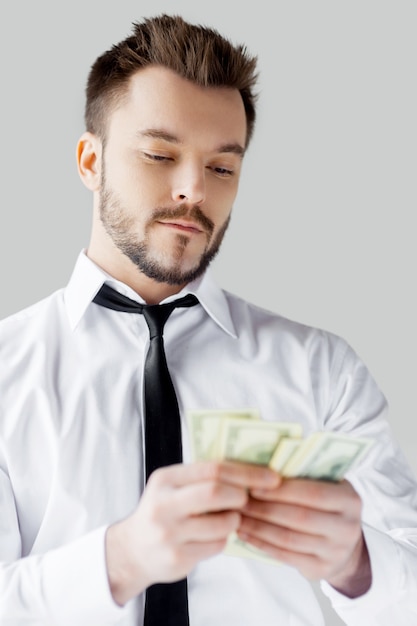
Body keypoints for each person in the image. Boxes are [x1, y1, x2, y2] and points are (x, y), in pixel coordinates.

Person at [0, 13, 416, 626]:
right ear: (90, 161)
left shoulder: (323, 372)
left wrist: (358, 564)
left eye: (222, 167)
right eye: (159, 154)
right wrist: (117, 560)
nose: (194, 189)